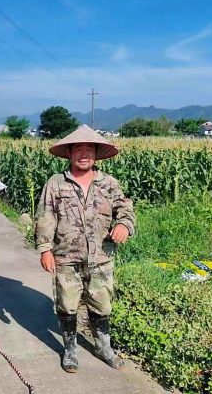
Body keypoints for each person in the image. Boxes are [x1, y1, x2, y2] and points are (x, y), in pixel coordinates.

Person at [34, 125, 136, 373]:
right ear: (69, 153)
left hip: (101, 257)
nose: (83, 154)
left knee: (101, 305)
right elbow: (45, 217)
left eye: (88, 149)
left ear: (96, 154)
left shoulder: (109, 184)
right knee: (67, 305)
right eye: (78, 149)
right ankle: (70, 350)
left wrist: (124, 225)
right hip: (66, 257)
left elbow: (125, 210)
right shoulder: (56, 183)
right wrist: (45, 249)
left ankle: (103, 347)